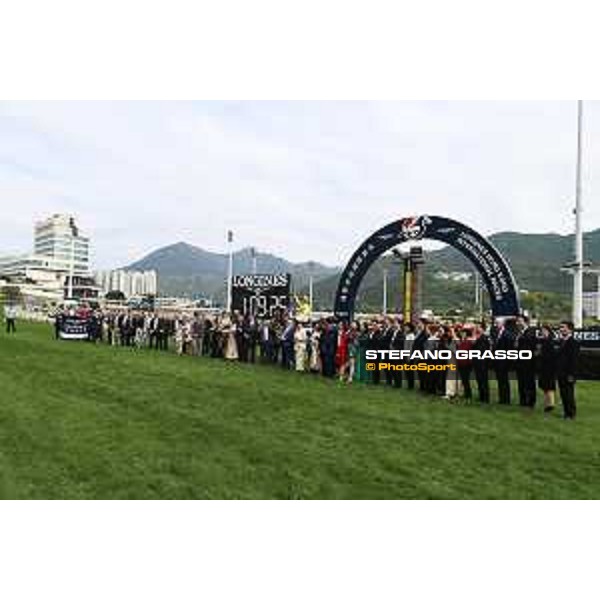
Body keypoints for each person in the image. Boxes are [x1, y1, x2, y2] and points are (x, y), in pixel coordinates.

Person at [556, 320, 579, 420]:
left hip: (568, 373)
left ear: (570, 329)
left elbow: (574, 360)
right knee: (563, 393)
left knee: (569, 394)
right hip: (561, 372)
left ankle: (571, 413)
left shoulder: (573, 342)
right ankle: (566, 413)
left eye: (563, 327)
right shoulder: (562, 341)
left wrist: (572, 374)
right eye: (560, 327)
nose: (561, 329)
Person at [516, 316, 537, 408]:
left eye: (519, 321)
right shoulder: (520, 333)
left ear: (525, 322)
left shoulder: (531, 332)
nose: (518, 323)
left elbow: (529, 345)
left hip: (528, 362)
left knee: (529, 382)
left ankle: (531, 401)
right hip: (520, 362)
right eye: (517, 321)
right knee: (521, 382)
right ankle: (523, 400)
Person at [537, 324, 557, 413]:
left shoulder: (550, 341)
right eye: (542, 330)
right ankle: (547, 404)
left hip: (549, 367)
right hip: (544, 366)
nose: (542, 332)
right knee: (545, 385)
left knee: (549, 385)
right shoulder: (545, 341)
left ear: (548, 331)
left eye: (544, 330)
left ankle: (551, 404)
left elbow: (551, 355)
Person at [472, 325, 490, 403]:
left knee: (483, 380)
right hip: (477, 361)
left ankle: (485, 397)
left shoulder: (484, 338)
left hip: (482, 362)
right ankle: (481, 395)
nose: (477, 329)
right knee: (479, 379)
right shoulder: (477, 337)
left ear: (483, 329)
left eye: (479, 327)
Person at [456, 328, 474, 401]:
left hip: (466, 363)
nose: (462, 334)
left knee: (465, 379)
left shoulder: (468, 341)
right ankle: (466, 393)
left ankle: (468, 394)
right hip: (461, 362)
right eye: (461, 333)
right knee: (463, 379)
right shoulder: (462, 341)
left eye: (463, 333)